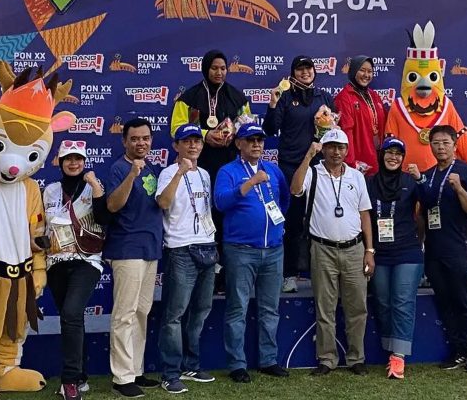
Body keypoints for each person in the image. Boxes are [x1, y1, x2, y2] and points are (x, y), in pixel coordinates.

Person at [290, 128, 374, 376]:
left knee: (357, 307)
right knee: (324, 307)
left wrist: (369, 249)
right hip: (322, 249)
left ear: (347, 151)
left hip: (354, 249)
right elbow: (295, 189)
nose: (336, 152)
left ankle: (356, 358)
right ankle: (327, 359)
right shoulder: (313, 172)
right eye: (331, 147)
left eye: (341, 148)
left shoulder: (356, 176)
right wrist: (308, 156)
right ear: (323, 149)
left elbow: (364, 214)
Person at [214, 123, 290, 383]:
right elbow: (220, 202)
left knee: (270, 308)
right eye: (251, 140)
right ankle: (237, 364)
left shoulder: (273, 170)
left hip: (274, 250)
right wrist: (249, 184)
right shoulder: (228, 171)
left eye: (260, 140)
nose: (257, 144)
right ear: (239, 144)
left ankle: (269, 360)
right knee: (238, 308)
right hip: (241, 250)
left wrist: (277, 227)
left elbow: (284, 201)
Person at [171, 50, 251, 293]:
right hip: (198, 166)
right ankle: (203, 272)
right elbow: (176, 128)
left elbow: (247, 125)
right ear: (206, 69)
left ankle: (226, 271)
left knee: (227, 214)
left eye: (223, 68)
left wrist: (231, 133)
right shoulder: (188, 98)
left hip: (230, 166)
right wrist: (206, 135)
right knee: (203, 213)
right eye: (214, 68)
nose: (219, 72)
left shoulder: (238, 97)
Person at [263, 55, 334, 293]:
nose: (305, 72)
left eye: (308, 68)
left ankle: (319, 273)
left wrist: (329, 122)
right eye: (300, 69)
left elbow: (334, 131)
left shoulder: (324, 97)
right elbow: (270, 129)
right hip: (291, 165)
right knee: (292, 222)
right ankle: (290, 274)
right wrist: (273, 104)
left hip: (319, 165)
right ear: (293, 73)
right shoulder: (285, 96)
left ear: (314, 71)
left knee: (320, 219)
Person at [156, 124, 219, 394]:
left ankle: (190, 365)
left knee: (200, 310)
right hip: (180, 248)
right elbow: (163, 203)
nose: (193, 146)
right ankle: (170, 373)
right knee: (174, 314)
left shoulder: (204, 174)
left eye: (197, 141)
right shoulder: (167, 172)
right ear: (176, 146)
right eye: (187, 141)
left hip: (207, 245)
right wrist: (180, 173)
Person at [105, 118, 163, 398]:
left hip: (150, 249)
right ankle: (121, 377)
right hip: (126, 249)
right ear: (124, 141)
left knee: (141, 313)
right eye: (135, 139)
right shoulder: (118, 168)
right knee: (125, 314)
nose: (141, 143)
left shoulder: (151, 168)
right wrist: (131, 175)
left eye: (145, 138)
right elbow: (113, 205)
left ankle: (135, 370)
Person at [44, 140, 107, 400]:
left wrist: (95, 185)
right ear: (60, 162)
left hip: (86, 260)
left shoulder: (94, 187)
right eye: (68, 159)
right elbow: (43, 225)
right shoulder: (50, 190)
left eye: (78, 158)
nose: (73, 163)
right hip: (56, 262)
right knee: (72, 318)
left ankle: (69, 381)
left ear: (84, 162)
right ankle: (81, 376)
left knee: (71, 312)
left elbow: (105, 219)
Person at [419, 125, 467, 373]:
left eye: (445, 142)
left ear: (455, 145)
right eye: (436, 143)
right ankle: (458, 351)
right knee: (445, 303)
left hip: (458, 249)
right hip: (434, 250)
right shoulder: (427, 175)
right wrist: (420, 243)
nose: (441, 147)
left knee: (464, 303)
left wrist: (458, 189)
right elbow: (423, 213)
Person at [366, 136, 424, 379]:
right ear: (382, 155)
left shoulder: (410, 181)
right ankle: (390, 347)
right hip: (378, 252)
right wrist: (368, 250)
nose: (393, 157)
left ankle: (398, 356)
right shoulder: (368, 182)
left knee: (402, 301)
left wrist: (421, 180)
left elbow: (430, 203)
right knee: (382, 302)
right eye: (389, 152)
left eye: (398, 154)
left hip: (407, 251)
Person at [334, 55, 387, 175]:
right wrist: (351, 164)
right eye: (362, 70)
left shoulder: (374, 96)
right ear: (353, 71)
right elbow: (346, 133)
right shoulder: (344, 98)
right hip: (360, 165)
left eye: (370, 71)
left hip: (379, 161)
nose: (366, 75)